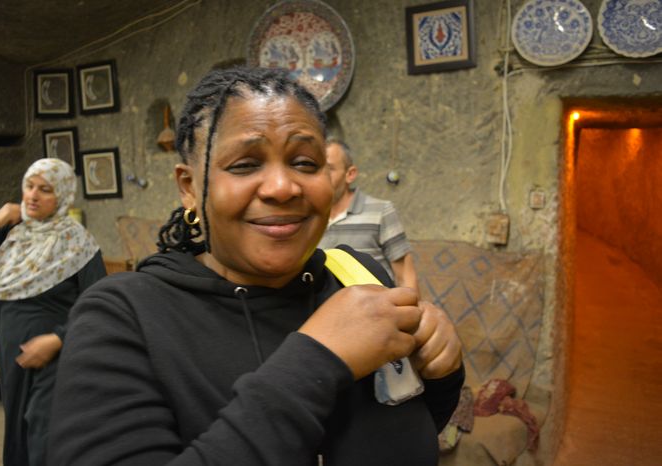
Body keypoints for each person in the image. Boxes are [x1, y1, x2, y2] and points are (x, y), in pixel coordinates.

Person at [47, 66, 463, 466]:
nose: (282, 188)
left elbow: (407, 431)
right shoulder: (123, 317)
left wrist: (440, 372)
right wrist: (319, 360)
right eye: (245, 165)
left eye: (306, 163)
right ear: (189, 187)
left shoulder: (357, 276)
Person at [0, 158, 106, 466]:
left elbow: (100, 307)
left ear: (63, 195)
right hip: (12, 358)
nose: (33, 196)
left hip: (56, 358)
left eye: (45, 189)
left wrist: (57, 339)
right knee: (17, 433)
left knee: (44, 435)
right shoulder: (13, 237)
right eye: (29, 186)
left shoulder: (78, 244)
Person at [318, 138, 419, 293]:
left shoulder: (381, 211)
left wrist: (410, 307)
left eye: (329, 169)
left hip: (376, 305)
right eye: (315, 168)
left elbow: (405, 277)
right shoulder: (306, 217)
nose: (321, 176)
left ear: (350, 174)